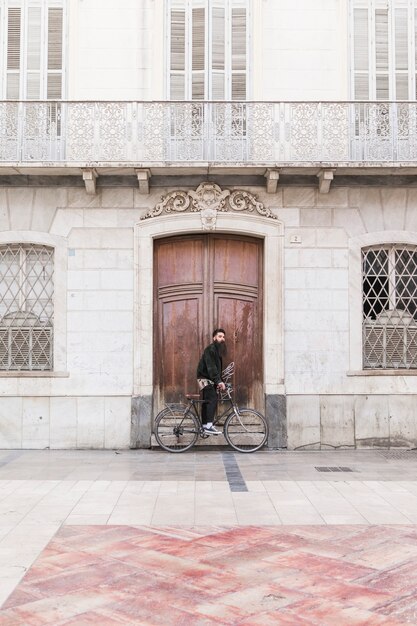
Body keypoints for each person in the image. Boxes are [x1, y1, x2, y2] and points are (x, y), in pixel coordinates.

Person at [196, 328, 226, 435]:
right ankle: (209, 425)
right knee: (212, 398)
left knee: (207, 401)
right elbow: (211, 367)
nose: (222, 339)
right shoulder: (210, 349)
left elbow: (217, 369)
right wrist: (218, 381)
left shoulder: (217, 351)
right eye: (219, 336)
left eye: (223, 337)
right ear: (214, 338)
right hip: (204, 378)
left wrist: (220, 381)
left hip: (209, 378)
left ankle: (204, 425)